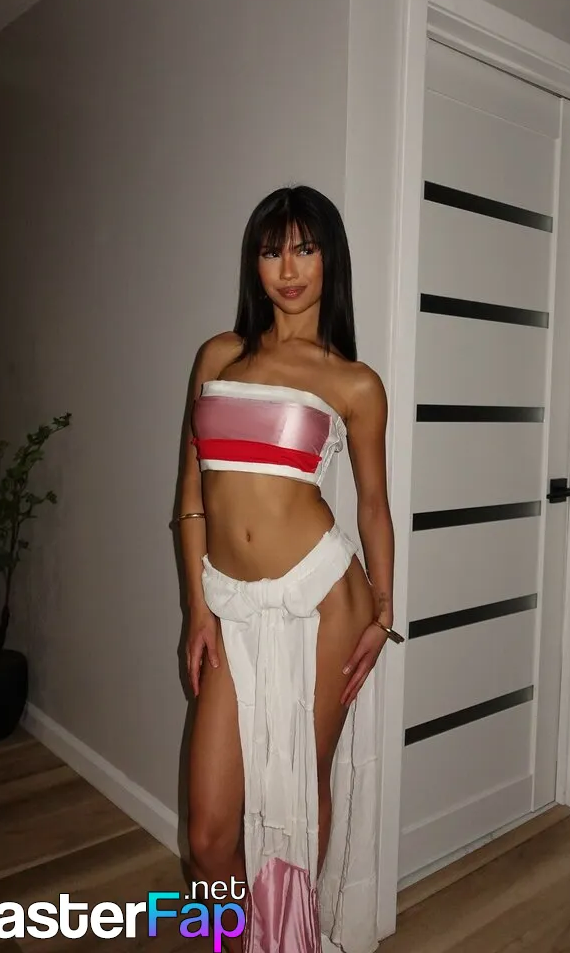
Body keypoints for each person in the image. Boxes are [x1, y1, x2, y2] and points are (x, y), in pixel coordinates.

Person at [177, 185, 398, 953]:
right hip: (233, 606)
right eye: (273, 251)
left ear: (331, 258)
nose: (290, 269)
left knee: (300, 793)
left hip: (323, 601)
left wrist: (383, 613)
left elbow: (373, 507)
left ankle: (289, 942)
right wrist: (197, 609)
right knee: (207, 835)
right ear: (255, 263)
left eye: (306, 249)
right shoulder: (218, 356)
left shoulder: (354, 382)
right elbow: (191, 498)